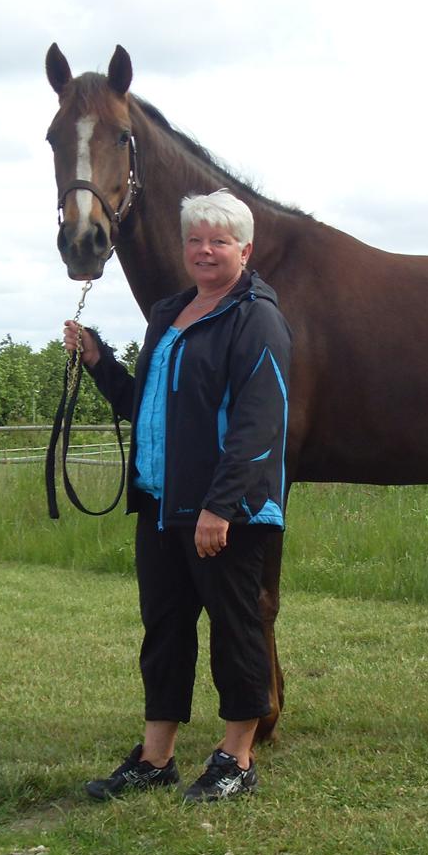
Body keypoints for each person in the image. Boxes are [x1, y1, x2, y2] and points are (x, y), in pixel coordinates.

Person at [64, 189, 291, 803]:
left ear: (245, 248)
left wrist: (220, 506)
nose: (205, 250)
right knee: (164, 630)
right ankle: (155, 756)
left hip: (227, 513)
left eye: (219, 240)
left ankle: (236, 758)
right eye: (195, 239)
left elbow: (259, 421)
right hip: (162, 506)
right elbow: (152, 407)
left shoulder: (255, 317)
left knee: (235, 629)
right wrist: (99, 362)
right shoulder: (170, 314)